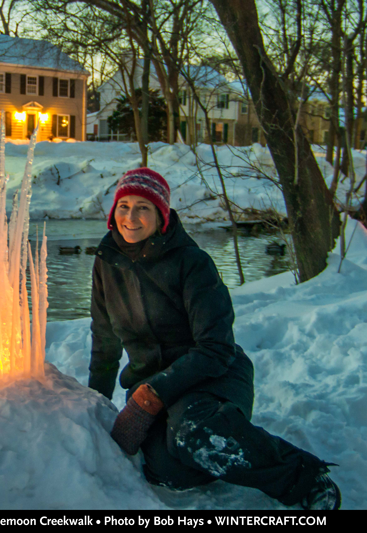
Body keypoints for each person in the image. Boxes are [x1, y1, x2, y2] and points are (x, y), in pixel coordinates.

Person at [88, 167, 341, 510]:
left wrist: (153, 394)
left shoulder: (193, 264)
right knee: (168, 471)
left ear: (161, 215)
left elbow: (216, 348)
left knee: (194, 434)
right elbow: (105, 343)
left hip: (213, 376)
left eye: (143, 207)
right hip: (153, 385)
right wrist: (92, 411)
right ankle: (221, 442)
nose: (130, 216)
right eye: (124, 206)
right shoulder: (106, 262)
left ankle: (302, 477)